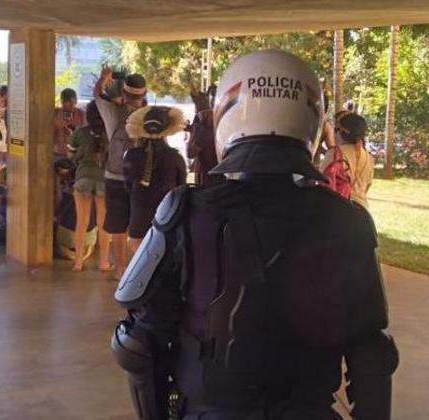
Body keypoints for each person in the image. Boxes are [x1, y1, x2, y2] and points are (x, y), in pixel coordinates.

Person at [111, 50, 397, 420]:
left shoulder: (186, 211)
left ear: (227, 115)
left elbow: (137, 344)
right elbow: (373, 354)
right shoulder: (346, 219)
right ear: (310, 118)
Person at [93, 65, 148, 279]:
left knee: (117, 225)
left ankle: (121, 269)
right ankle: (141, 268)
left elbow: (97, 95)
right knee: (140, 223)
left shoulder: (113, 112)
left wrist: (103, 78)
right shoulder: (149, 116)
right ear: (144, 93)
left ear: (123, 92)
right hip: (141, 177)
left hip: (114, 176)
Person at [123, 106, 187, 252]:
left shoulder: (131, 156)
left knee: (140, 264)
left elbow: (127, 187)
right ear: (167, 130)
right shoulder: (175, 157)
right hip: (165, 218)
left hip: (138, 216)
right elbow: (181, 188)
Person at [68, 101, 111, 273]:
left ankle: (78, 263)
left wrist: (80, 156)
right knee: (103, 224)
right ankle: (104, 262)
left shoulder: (79, 132)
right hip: (103, 180)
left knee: (81, 222)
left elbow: (69, 153)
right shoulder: (110, 133)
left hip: (83, 178)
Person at [320, 112, 374, 209]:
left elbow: (322, 182)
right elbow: (367, 186)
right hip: (363, 211)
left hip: (339, 210)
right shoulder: (368, 157)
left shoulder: (334, 153)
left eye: (336, 129)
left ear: (341, 132)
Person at [186, 87, 224, 187]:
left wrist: (194, 131)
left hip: (205, 179)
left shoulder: (203, 131)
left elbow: (190, 153)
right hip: (220, 176)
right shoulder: (222, 125)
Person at [54, 88, 85, 157]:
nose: (68, 105)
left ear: (76, 101)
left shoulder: (82, 115)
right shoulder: (54, 114)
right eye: (65, 102)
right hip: (57, 153)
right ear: (61, 102)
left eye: (71, 102)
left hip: (76, 154)